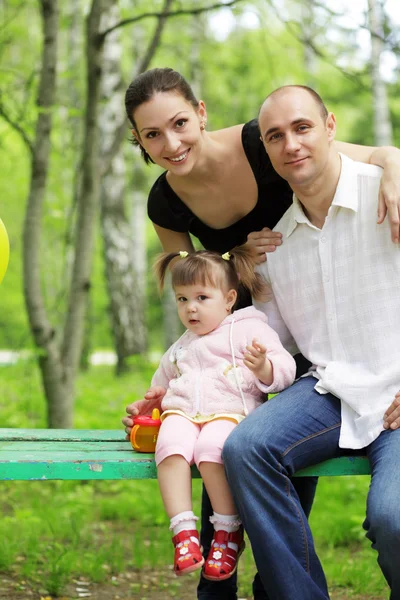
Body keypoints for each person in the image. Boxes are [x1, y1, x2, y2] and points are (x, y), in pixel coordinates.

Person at [122, 67, 400, 600]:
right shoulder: (180, 209)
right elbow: (196, 290)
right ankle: (241, 589)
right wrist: (180, 385)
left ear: (201, 112)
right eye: (152, 134)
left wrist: (390, 160)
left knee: (367, 508)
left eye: (179, 122)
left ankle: (276, 587)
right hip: (264, 342)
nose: (170, 142)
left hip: (344, 343)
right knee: (230, 444)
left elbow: (365, 155)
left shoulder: (275, 144)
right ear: (138, 139)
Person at [222, 85, 400, 600]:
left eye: (301, 128)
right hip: (331, 393)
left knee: (393, 518)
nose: (291, 145)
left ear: (330, 127)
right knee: (247, 447)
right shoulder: (276, 247)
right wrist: (174, 388)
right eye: (275, 136)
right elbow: (254, 343)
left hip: (396, 395)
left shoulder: (388, 193)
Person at [130, 247, 296, 581]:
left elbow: (286, 369)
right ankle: (183, 533)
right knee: (170, 444)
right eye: (181, 299)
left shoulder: (251, 331)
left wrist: (264, 368)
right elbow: (160, 386)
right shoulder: (181, 345)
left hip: (230, 413)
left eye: (202, 297)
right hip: (183, 414)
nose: (190, 307)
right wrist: (151, 402)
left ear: (229, 298)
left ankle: (227, 532)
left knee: (210, 450)